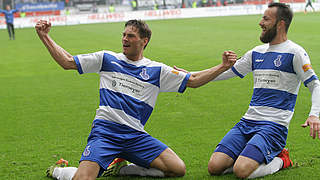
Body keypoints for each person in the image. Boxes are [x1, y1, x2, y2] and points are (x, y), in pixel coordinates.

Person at [35, 19, 237, 180]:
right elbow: (67, 62)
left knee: (177, 169)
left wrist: (222, 67)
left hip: (135, 136)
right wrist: (44, 37)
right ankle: (59, 171)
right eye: (123, 35)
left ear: (144, 41)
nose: (124, 39)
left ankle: (123, 169)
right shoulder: (107, 59)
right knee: (83, 178)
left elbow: (192, 80)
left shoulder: (156, 70)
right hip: (106, 132)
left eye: (130, 36)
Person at [175, 2, 320, 179]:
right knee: (214, 167)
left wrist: (314, 114)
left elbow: (315, 85)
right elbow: (225, 72)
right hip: (248, 122)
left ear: (280, 24)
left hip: (273, 126)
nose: (260, 22)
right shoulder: (256, 52)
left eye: (266, 19)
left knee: (242, 171)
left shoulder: (295, 52)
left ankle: (282, 159)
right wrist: (189, 75)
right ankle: (249, 156)